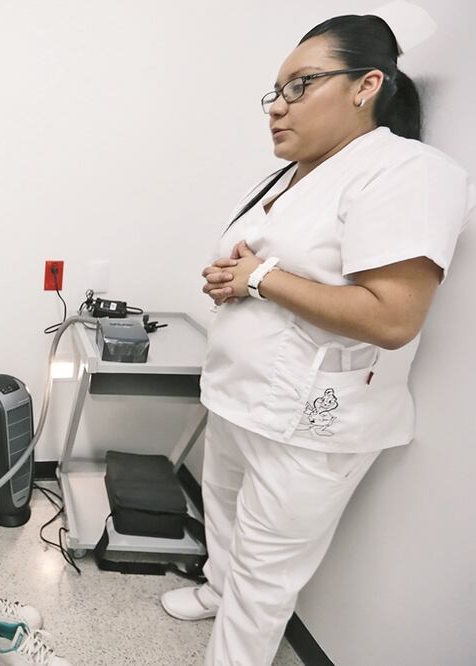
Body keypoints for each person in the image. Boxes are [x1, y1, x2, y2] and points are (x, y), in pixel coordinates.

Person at [159, 11, 475, 666]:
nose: (277, 108)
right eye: (273, 93)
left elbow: (391, 317)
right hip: (237, 395)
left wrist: (259, 277)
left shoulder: (407, 172)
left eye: (298, 85)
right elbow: (265, 273)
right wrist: (233, 279)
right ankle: (215, 590)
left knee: (264, 571)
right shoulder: (294, 174)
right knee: (221, 514)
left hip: (309, 420)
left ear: (366, 85)